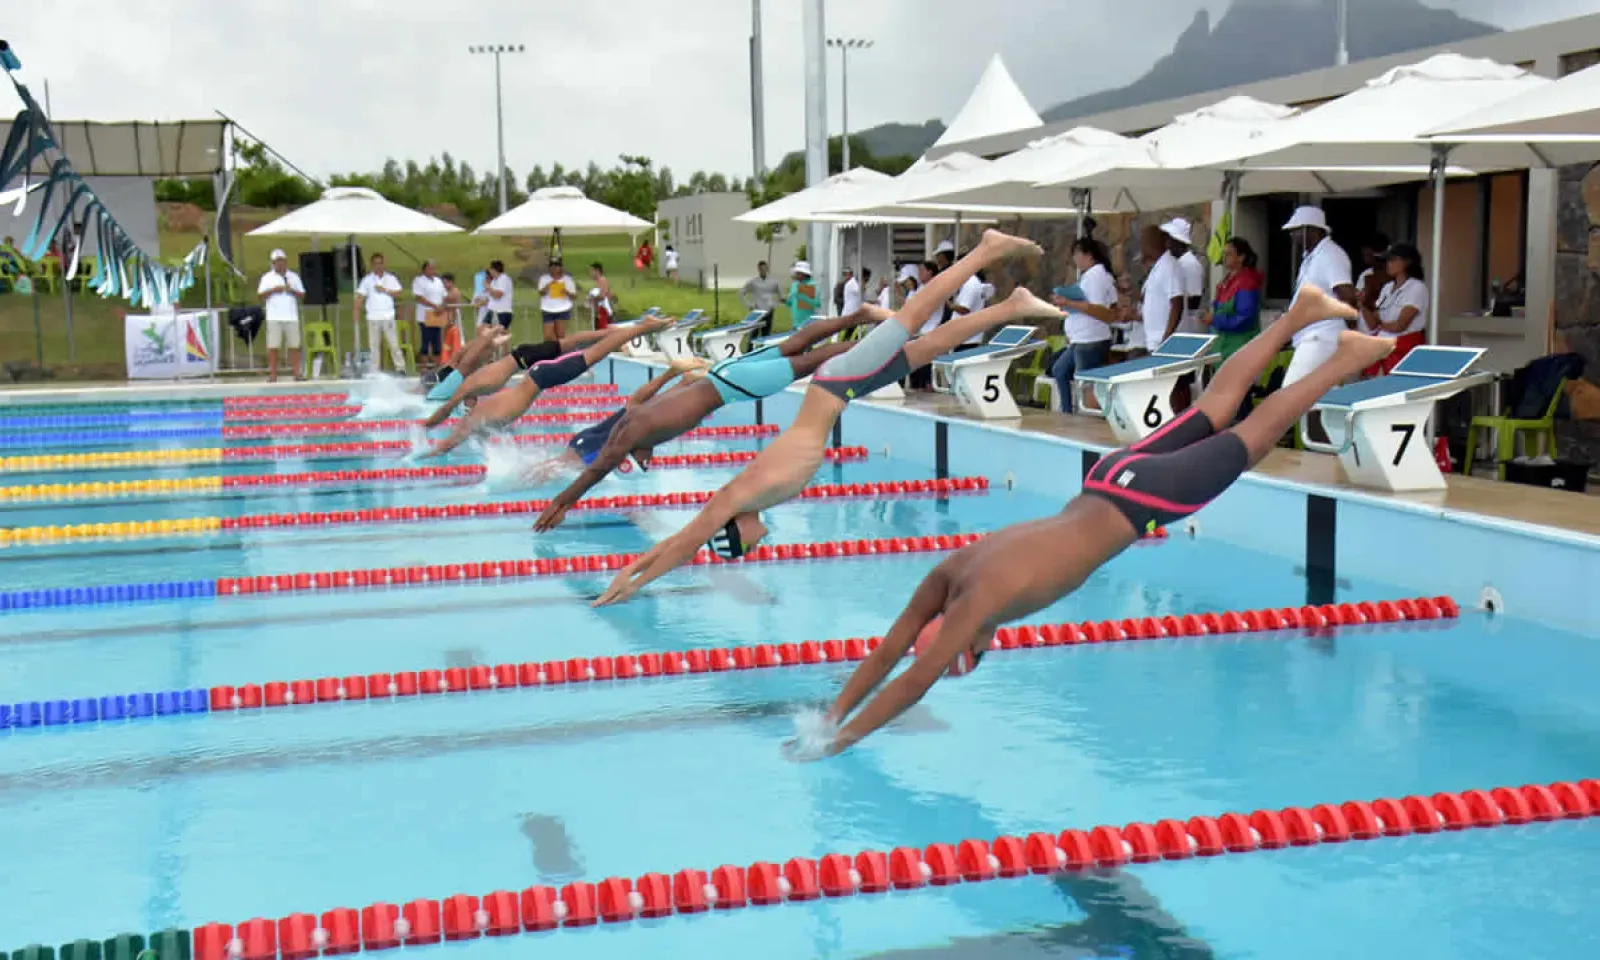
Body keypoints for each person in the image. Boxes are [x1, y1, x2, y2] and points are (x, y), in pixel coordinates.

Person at [788, 288, 1387, 760]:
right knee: (1213, 411)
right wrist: (830, 714)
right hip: (1107, 478)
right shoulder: (953, 570)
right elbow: (893, 645)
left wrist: (839, 743)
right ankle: (1295, 317)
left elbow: (911, 678)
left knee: (1250, 438)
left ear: (960, 641)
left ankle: (1344, 359)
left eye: (966, 654)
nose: (980, 648)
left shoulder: (976, 606)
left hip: (1142, 501)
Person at [591, 229, 1061, 607]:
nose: (760, 545)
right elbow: (679, 542)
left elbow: (683, 544)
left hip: (836, 383)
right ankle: (1011, 305)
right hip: (845, 390)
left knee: (909, 320)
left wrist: (631, 583)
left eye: (749, 547)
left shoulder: (734, 499)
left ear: (737, 533)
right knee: (928, 349)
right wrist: (633, 573)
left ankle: (985, 250)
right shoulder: (753, 501)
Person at [532, 308, 883, 533]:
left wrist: (561, 503)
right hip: (722, 371)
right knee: (796, 343)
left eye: (642, 460)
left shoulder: (629, 435)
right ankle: (859, 316)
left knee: (811, 361)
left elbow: (596, 470)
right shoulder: (636, 415)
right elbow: (650, 408)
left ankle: (886, 342)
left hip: (732, 386)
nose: (645, 462)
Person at [417, 320, 661, 458]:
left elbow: (447, 438)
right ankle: (633, 331)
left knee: (591, 353)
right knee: (584, 348)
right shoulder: (479, 412)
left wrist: (422, 450)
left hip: (538, 374)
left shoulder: (472, 412)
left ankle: (639, 329)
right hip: (533, 372)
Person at [1281, 206, 1357, 386]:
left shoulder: (1330, 255)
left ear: (1311, 229)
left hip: (1322, 336)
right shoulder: (1311, 256)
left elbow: (1346, 295)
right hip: (1310, 335)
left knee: (1292, 392)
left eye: (1297, 230)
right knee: (1317, 396)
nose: (1293, 235)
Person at [1048, 237, 1118, 413]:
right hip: (1081, 338)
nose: (1075, 259)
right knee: (1060, 369)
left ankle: (1087, 415)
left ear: (1089, 255)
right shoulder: (1092, 276)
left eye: (1077, 254)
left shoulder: (1096, 276)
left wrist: (1068, 302)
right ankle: (1066, 409)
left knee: (1085, 383)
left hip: (1090, 339)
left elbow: (1095, 308)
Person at [1359, 241, 1429, 376]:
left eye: (1393, 260)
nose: (1388, 264)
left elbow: (1400, 326)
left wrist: (1380, 324)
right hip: (1383, 348)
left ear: (1407, 262)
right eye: (1387, 260)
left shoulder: (1416, 287)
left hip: (1404, 351)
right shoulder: (1387, 288)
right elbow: (1372, 323)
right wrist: (1363, 304)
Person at [1200, 237, 1264, 362]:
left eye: (1229, 254)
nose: (1224, 257)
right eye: (1224, 254)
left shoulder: (1247, 282)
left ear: (1241, 257)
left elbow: (1244, 320)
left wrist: (1215, 319)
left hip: (1238, 348)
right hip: (1221, 348)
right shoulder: (1226, 282)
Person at [256, 249, 305, 383]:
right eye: (277, 262)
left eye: (282, 261)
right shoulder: (267, 278)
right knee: (273, 347)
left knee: (294, 346)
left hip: (291, 317)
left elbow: (302, 294)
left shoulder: (293, 277)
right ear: (272, 263)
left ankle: (297, 373)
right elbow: (260, 295)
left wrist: (292, 290)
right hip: (274, 317)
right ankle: (273, 375)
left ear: (285, 261)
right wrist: (273, 290)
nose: (280, 264)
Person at [354, 252, 406, 374]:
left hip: (388, 316)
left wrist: (385, 290)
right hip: (373, 316)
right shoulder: (367, 280)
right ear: (372, 265)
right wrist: (356, 310)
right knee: (374, 346)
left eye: (380, 263)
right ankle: (374, 370)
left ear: (384, 263)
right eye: (376, 263)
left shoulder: (391, 278)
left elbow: (398, 293)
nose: (378, 266)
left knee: (394, 344)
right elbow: (360, 296)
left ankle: (400, 368)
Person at [1135, 224, 1183, 357]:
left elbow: (1177, 303)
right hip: (1153, 340)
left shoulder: (1169, 266)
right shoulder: (1158, 267)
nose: (1141, 246)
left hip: (1164, 342)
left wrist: (1167, 338)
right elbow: (1153, 299)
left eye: (1143, 241)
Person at [1163, 218, 1205, 333]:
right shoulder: (1176, 263)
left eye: (1168, 240)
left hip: (1186, 327)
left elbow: (1194, 299)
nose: (1166, 244)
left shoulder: (1190, 264)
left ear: (1177, 241)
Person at [412, 260, 448, 371]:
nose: (432, 270)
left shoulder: (438, 281)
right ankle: (424, 368)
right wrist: (434, 306)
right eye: (430, 268)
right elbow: (419, 298)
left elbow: (444, 296)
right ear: (424, 269)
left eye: (433, 268)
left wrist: (441, 306)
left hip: (437, 315)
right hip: (425, 316)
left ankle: (437, 368)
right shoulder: (419, 281)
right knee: (425, 343)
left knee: (437, 343)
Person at [538, 258, 579, 343]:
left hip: (562, 308)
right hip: (548, 309)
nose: (554, 268)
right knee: (548, 336)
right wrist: (548, 286)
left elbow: (574, 296)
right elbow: (541, 292)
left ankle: (560, 353)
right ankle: (551, 351)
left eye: (556, 266)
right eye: (552, 266)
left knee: (560, 335)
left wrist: (566, 292)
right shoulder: (544, 278)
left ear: (560, 267)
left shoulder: (567, 279)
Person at [741, 260, 783, 337]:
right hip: (757, 310)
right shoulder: (753, 281)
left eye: (764, 268)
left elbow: (781, 295)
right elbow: (742, 292)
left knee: (766, 333)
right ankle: (751, 349)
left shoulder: (774, 281)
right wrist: (749, 304)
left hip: (769, 311)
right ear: (758, 269)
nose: (763, 270)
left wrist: (775, 305)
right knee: (754, 333)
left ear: (767, 269)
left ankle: (764, 348)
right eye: (761, 269)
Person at [477, 260, 515, 330]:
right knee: (483, 329)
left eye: (491, 269)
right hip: (492, 311)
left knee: (499, 335)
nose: (490, 272)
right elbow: (491, 296)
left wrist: (487, 286)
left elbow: (498, 295)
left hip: (502, 312)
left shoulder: (504, 278)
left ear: (495, 270)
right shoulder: (494, 281)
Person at [787, 261, 820, 329]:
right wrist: (784, 300)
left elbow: (817, 303)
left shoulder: (811, 285)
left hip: (807, 323)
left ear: (804, 274)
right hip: (795, 323)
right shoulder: (795, 284)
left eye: (798, 273)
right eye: (796, 273)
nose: (796, 275)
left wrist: (802, 297)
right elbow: (790, 302)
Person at [588, 262, 616, 329]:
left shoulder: (602, 280)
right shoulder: (598, 281)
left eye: (592, 271)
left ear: (597, 271)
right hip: (600, 313)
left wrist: (592, 299)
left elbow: (603, 296)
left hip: (604, 313)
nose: (590, 273)